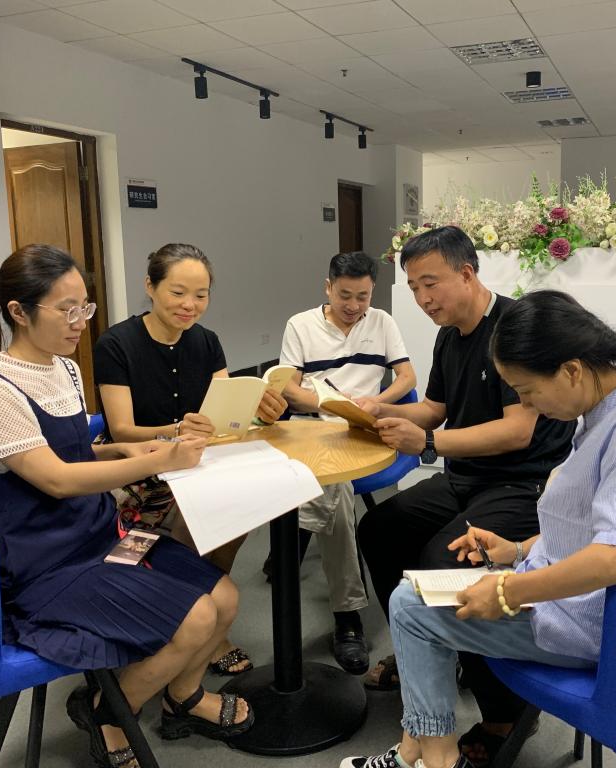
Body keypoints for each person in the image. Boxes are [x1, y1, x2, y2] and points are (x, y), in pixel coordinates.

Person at [341, 289, 616, 768]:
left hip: (596, 619)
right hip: (595, 600)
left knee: (411, 607)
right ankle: (417, 748)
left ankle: (435, 758)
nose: (525, 403)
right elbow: (602, 529)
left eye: (527, 391)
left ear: (571, 370)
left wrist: (509, 591)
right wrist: (516, 550)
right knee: (416, 583)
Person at [0, 245, 254, 768]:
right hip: (45, 567)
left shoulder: (64, 370)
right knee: (197, 617)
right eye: (66, 310)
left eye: (84, 307)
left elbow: (72, 454)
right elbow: (58, 479)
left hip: (98, 537)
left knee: (224, 598)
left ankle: (183, 697)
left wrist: (128, 449)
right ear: (19, 312)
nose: (80, 322)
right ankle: (109, 713)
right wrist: (158, 460)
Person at [356, 226, 576, 761]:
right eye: (413, 287)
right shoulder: (450, 334)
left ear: (467, 273)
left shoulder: (513, 329)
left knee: (445, 562)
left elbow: (517, 431)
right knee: (379, 528)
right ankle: (422, 644)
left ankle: (505, 715)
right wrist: (381, 409)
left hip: (522, 481)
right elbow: (435, 409)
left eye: (430, 283)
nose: (422, 298)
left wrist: (429, 443)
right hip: (466, 478)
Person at [94, 243, 287, 676]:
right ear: (150, 286)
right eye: (178, 292)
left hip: (196, 459)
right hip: (137, 463)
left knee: (239, 509)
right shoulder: (117, 344)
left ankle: (201, 615)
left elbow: (224, 414)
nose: (190, 305)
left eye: (201, 295)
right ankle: (186, 621)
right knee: (198, 516)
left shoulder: (207, 342)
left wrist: (260, 411)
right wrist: (177, 431)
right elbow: (122, 430)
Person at [278, 251, 416, 674]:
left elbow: (407, 378)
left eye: (363, 296)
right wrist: (329, 404)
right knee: (334, 487)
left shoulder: (382, 322)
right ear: (328, 287)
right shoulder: (300, 325)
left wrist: (377, 402)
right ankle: (348, 614)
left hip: (362, 426)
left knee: (325, 486)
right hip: (313, 426)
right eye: (344, 296)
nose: (354, 306)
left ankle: (290, 543)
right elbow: (289, 389)